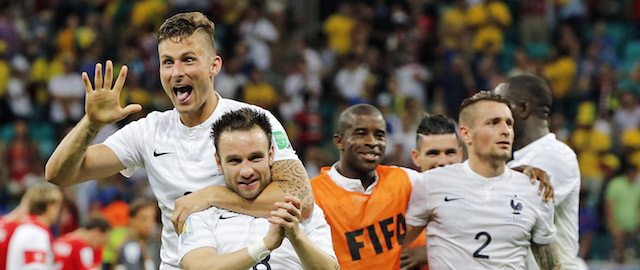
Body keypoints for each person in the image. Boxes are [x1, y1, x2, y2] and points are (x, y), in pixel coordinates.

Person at [44, 12, 313, 270]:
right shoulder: (148, 131)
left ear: (214, 65)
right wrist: (90, 124)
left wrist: (211, 196)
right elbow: (58, 174)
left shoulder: (252, 122)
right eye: (168, 62)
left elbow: (302, 199)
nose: (177, 72)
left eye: (188, 59)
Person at [402, 92, 563, 269]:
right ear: (466, 134)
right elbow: (393, 251)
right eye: (493, 123)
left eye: (509, 123)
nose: (505, 130)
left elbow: (552, 266)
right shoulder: (430, 183)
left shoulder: (535, 189)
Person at [178, 108, 338, 269]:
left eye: (255, 158)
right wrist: (265, 245)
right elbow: (198, 267)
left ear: (271, 155)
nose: (247, 171)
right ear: (219, 163)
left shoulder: (298, 212)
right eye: (235, 161)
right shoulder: (203, 215)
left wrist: (296, 236)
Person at [310, 104, 427, 269]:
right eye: (361, 134)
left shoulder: (404, 179)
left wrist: (432, 250)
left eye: (379, 135)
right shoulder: (313, 195)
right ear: (339, 141)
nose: (372, 142)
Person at [494, 74, 584, 269]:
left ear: (524, 109)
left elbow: (511, 212)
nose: (494, 115)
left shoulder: (556, 155)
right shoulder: (516, 162)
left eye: (501, 107)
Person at [0, 182, 63, 270]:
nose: (59, 213)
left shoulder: (29, 228)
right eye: (58, 207)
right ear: (50, 207)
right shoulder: (35, 233)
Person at [114, 198, 159, 270]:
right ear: (131, 220)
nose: (149, 224)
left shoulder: (150, 243)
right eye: (143, 219)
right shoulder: (131, 246)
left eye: (153, 218)